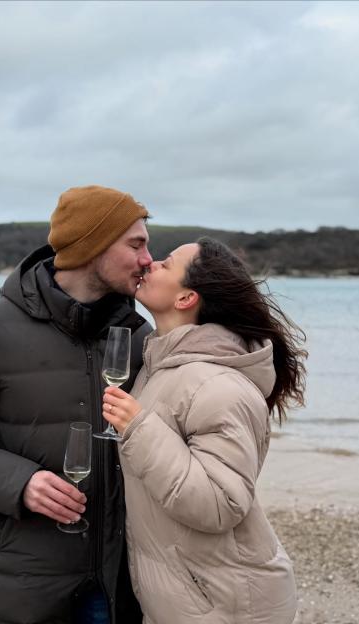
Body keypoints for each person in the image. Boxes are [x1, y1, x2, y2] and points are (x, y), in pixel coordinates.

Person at [0, 185, 153, 624]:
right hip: (18, 585)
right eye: (136, 244)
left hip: (115, 585)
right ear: (93, 245)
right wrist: (19, 483)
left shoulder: (139, 336)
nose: (147, 259)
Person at [102, 237, 307, 624]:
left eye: (167, 263)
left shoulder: (218, 385)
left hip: (228, 607)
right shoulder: (160, 366)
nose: (151, 263)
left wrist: (139, 429)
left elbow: (219, 503)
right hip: (192, 599)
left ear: (185, 299)